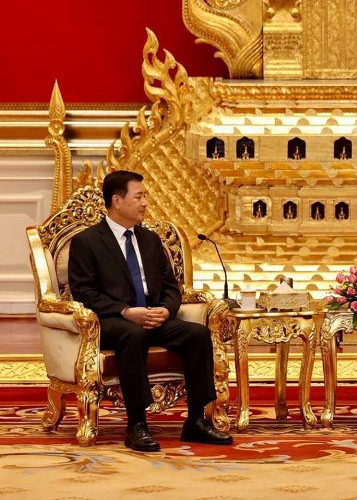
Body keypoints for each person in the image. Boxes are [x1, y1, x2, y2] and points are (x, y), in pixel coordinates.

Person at [68, 170, 233, 452]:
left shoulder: (149, 240)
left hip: (154, 317)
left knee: (197, 334)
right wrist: (125, 311)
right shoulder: (88, 242)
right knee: (133, 335)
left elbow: (172, 287)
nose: (145, 202)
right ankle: (137, 424)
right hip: (112, 321)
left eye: (145, 196)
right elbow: (84, 293)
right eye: (139, 196)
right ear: (117, 201)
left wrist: (166, 312)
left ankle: (196, 420)